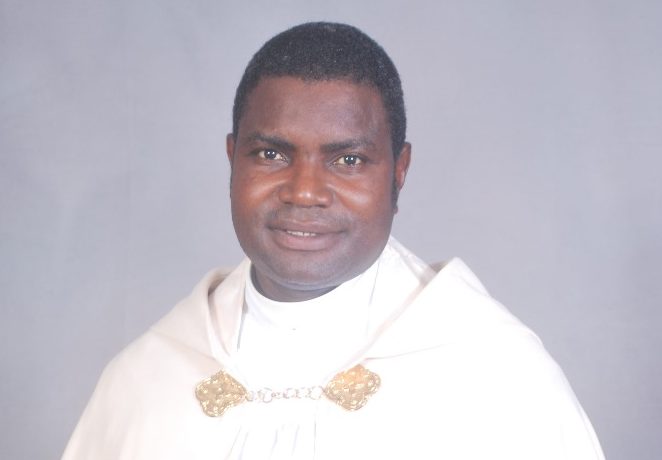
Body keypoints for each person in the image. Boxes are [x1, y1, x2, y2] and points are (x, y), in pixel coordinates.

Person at [63, 22, 605, 459]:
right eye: (271, 154)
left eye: (348, 160)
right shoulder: (146, 377)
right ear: (232, 160)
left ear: (398, 172)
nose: (304, 192)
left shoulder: (498, 378)